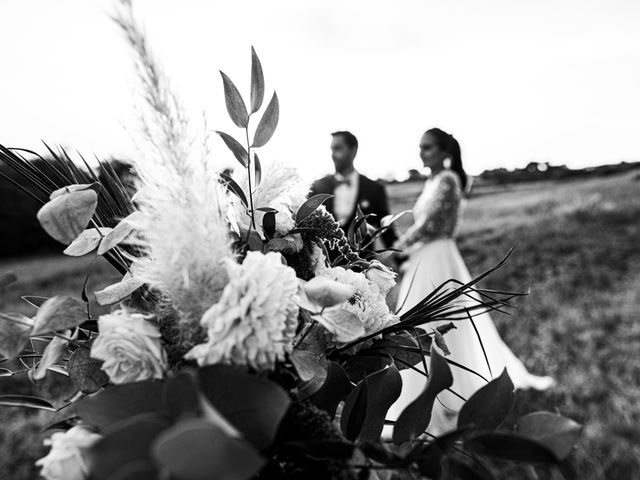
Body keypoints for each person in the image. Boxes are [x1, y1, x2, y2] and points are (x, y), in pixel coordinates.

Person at [388, 128, 554, 435]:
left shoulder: (449, 180)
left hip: (438, 255)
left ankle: (448, 391)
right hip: (425, 257)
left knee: (439, 323)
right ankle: (421, 391)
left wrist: (399, 245)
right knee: (418, 323)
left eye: (427, 148)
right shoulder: (431, 181)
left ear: (443, 151)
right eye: (420, 147)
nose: (421, 153)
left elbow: (430, 223)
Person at [310, 131, 397, 249]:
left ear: (353, 151)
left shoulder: (374, 189)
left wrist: (403, 262)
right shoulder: (317, 187)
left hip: (362, 264)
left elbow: (387, 232)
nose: (333, 154)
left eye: (338, 148)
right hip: (325, 264)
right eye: (332, 149)